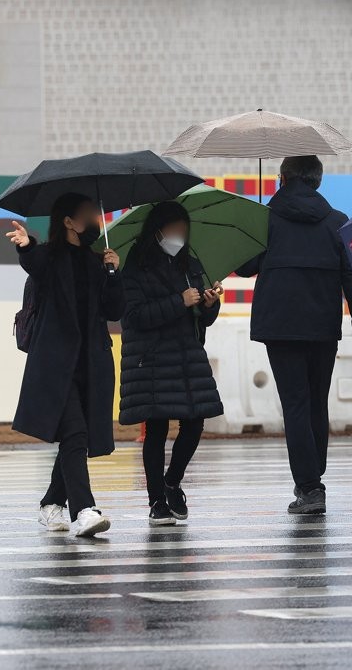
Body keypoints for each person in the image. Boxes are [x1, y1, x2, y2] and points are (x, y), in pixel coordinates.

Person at [236, 155, 352, 515]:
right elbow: (351, 280)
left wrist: (250, 228)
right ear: (318, 181)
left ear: (282, 178)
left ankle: (310, 486)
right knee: (315, 401)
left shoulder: (266, 220)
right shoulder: (336, 222)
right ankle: (313, 474)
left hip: (280, 326)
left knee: (295, 403)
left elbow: (245, 266)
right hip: (321, 326)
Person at [5, 193, 124, 537]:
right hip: (57, 367)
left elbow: (114, 311)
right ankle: (84, 510)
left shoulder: (96, 262)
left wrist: (113, 272)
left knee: (79, 437)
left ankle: (50, 504)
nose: (95, 222)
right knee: (74, 432)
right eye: (88, 215)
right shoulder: (49, 257)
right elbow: (34, 263)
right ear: (69, 222)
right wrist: (26, 245)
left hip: (92, 364)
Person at [119, 201, 224, 526]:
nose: (180, 235)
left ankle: (172, 481)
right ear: (158, 230)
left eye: (183, 229)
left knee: (195, 422)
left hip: (186, 356)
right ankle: (156, 501)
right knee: (157, 429)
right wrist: (178, 301)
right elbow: (134, 317)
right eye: (174, 229)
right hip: (150, 358)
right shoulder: (135, 267)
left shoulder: (189, 264)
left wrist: (209, 304)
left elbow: (202, 319)